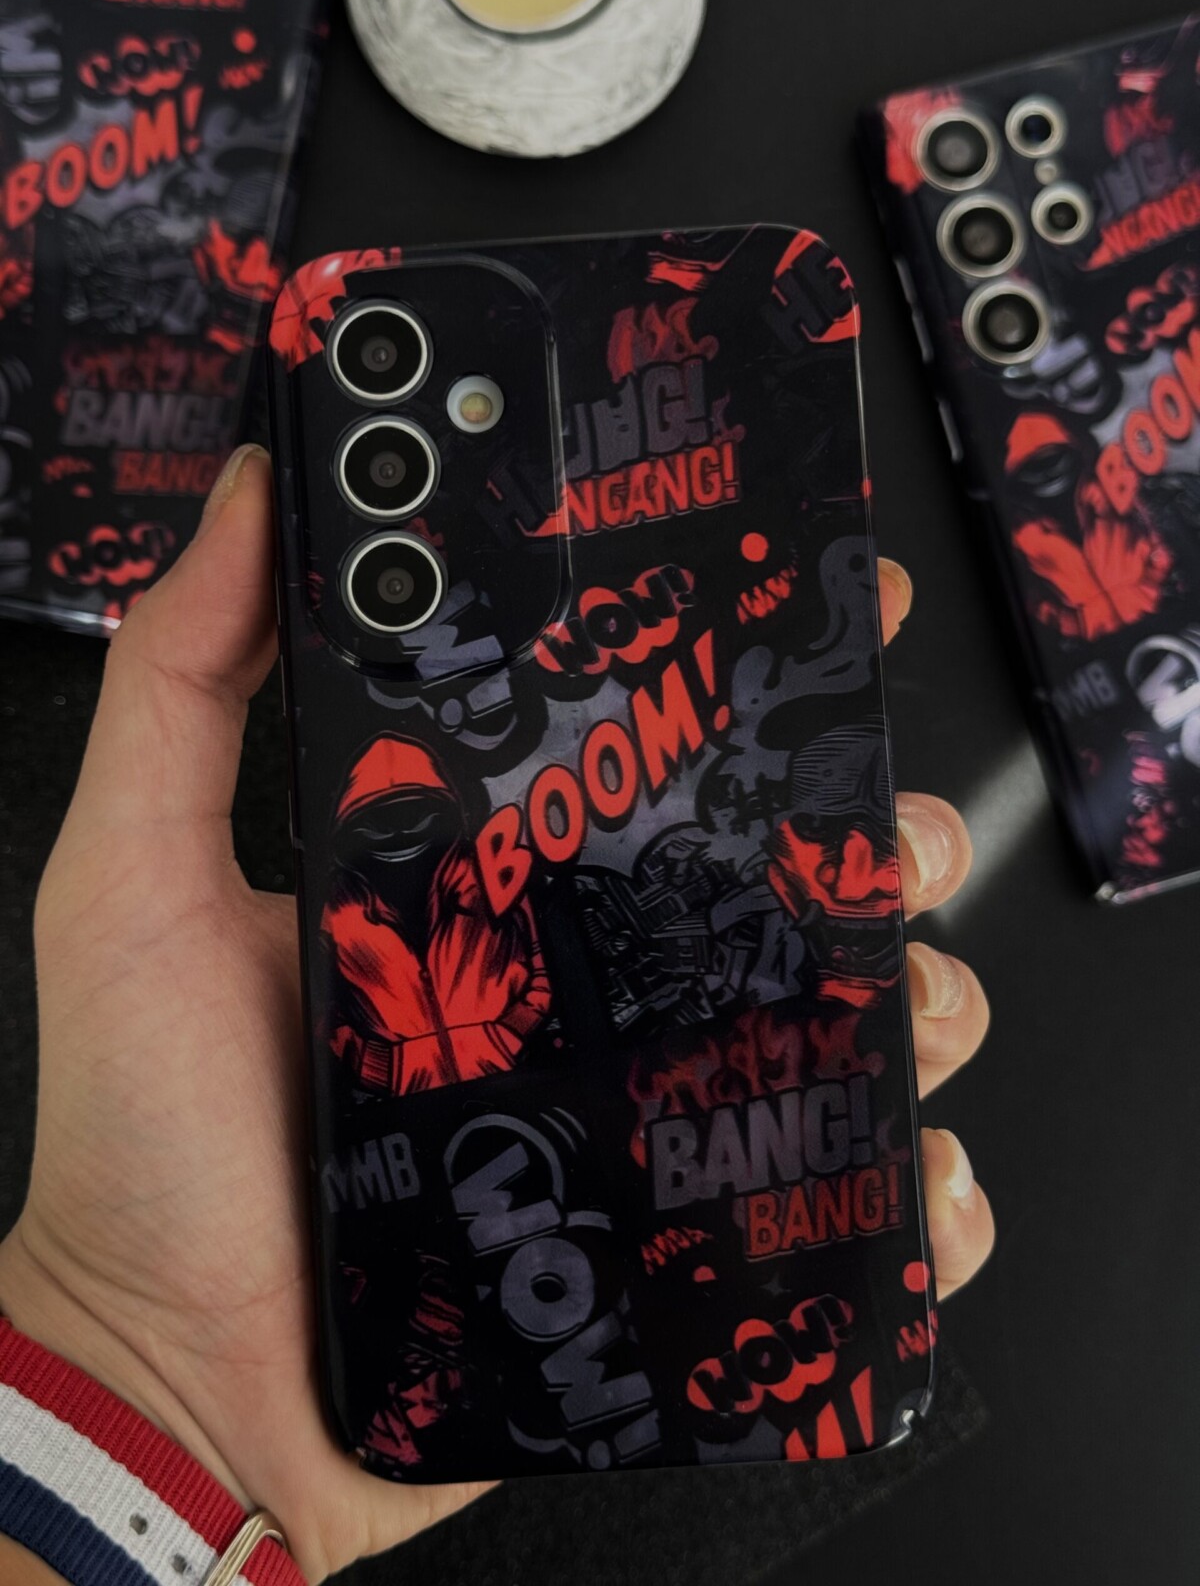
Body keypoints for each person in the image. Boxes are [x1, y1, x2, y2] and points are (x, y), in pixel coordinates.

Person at [0, 446, 994, 1584]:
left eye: (424, 842)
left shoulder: (544, 918)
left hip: (568, 1193)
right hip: (446, 1233)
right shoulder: (393, 959)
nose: (412, 875)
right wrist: (156, 1391)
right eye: (387, 848)